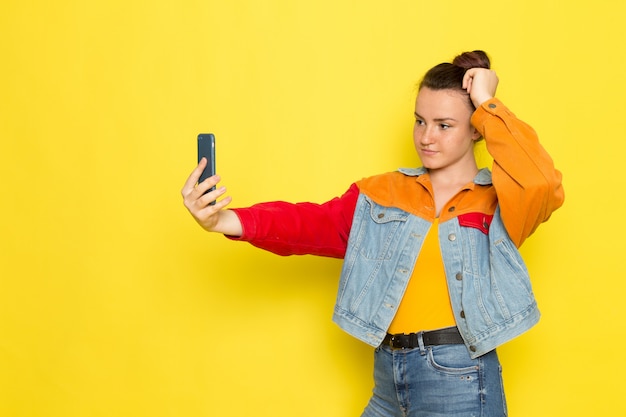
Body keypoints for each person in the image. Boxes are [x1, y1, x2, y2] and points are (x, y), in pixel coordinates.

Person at [181, 50, 564, 417]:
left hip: (459, 380)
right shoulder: (383, 192)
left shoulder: (500, 201)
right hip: (388, 378)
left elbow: (542, 182)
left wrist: (486, 103)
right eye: (419, 121)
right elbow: (311, 224)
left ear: (476, 130)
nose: (426, 137)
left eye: (444, 125)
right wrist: (224, 221)